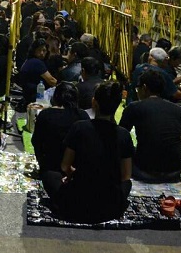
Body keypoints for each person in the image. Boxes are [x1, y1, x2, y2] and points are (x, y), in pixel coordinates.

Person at [41, 80, 133, 224]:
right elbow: (126, 176)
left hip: (76, 204)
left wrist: (72, 175)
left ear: (94, 102)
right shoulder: (123, 134)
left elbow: (65, 166)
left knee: (49, 175)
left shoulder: (80, 127)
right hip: (109, 208)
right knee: (128, 185)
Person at [119, 68, 181, 182]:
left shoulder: (134, 107)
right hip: (174, 171)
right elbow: (180, 138)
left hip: (145, 170)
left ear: (144, 88)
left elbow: (120, 135)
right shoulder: (178, 110)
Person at [32, 81, 89, 176]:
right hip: (73, 169)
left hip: (50, 166)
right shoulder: (82, 115)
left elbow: (36, 141)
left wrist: (42, 163)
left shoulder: (46, 114)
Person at [18, 38, 58, 106]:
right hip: (37, 97)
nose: (42, 53)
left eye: (44, 50)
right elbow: (51, 81)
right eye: (39, 50)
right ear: (34, 51)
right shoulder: (37, 63)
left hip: (28, 96)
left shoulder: (29, 60)